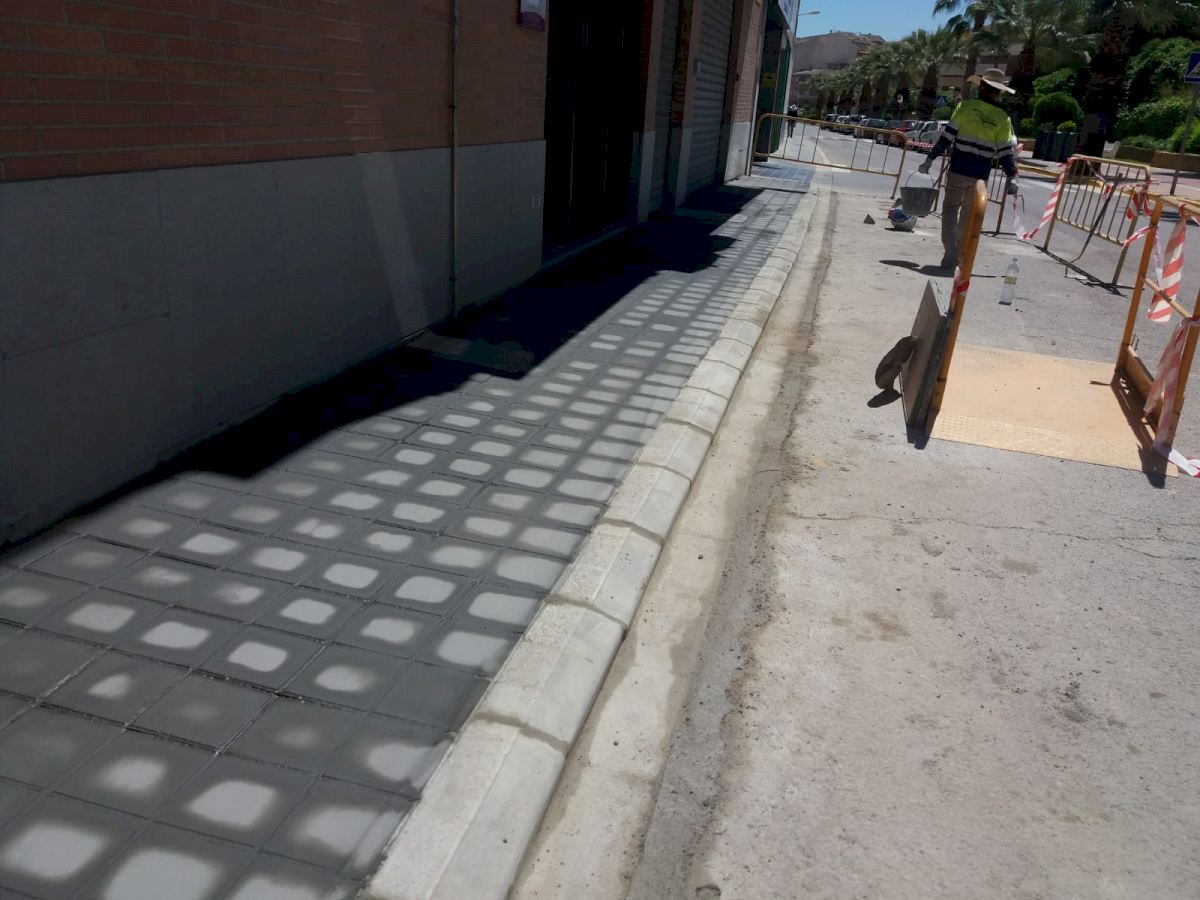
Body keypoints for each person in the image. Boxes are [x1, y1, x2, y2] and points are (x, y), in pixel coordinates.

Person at [917, 68, 1019, 269]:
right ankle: (956, 248)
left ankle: (950, 250)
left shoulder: (965, 107)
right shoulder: (1003, 118)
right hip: (980, 176)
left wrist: (929, 159)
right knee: (967, 214)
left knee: (950, 209)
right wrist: (1011, 177)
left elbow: (947, 137)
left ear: (981, 87)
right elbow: (1006, 152)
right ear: (999, 92)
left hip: (958, 169)